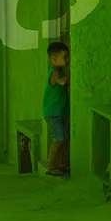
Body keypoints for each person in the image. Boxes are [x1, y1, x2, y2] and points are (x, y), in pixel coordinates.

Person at [43, 41, 70, 176]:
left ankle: (60, 164)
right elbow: (62, 82)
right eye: (64, 57)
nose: (67, 60)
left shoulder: (60, 71)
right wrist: (70, 72)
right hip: (53, 113)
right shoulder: (54, 72)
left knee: (64, 139)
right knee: (59, 139)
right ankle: (51, 166)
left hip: (61, 111)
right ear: (54, 59)